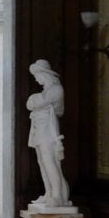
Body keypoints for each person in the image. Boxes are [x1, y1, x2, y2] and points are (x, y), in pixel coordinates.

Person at [27, 59, 70, 206]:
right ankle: (49, 192)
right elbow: (31, 104)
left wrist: (35, 101)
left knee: (50, 161)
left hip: (48, 131)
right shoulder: (46, 92)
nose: (36, 78)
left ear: (45, 75)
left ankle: (58, 196)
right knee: (42, 162)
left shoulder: (56, 90)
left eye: (37, 75)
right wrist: (35, 102)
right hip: (39, 131)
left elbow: (36, 102)